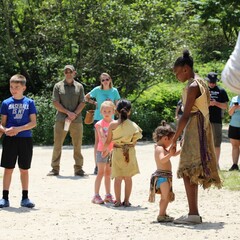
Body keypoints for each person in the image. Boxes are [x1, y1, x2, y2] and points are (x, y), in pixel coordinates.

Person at [171, 50, 222, 225]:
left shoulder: (193, 86)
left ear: (185, 69)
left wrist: (174, 138)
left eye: (177, 72)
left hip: (195, 128)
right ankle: (193, 212)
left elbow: (185, 116)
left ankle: (193, 213)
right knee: (191, 170)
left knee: (188, 170)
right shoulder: (199, 81)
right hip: (200, 126)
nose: (176, 76)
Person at [0, 74, 37, 208]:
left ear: (24, 88)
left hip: (25, 140)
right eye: (11, 87)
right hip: (10, 140)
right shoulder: (5, 103)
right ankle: (4, 198)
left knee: (24, 169)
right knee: (8, 169)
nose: (13, 89)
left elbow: (33, 123)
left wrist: (18, 129)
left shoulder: (29, 103)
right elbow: (2, 124)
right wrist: (5, 131)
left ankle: (25, 198)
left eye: (16, 87)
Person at [47, 65, 86, 176]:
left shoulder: (79, 86)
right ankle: (55, 168)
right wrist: (68, 113)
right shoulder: (58, 86)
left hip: (76, 120)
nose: (68, 73)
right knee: (57, 144)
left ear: (74, 73)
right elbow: (55, 102)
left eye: (70, 71)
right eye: (66, 71)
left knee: (77, 144)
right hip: (61, 119)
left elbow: (82, 102)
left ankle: (78, 168)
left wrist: (74, 114)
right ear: (64, 73)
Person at [103, 99, 142, 207]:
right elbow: (135, 142)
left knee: (118, 177)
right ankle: (126, 201)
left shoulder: (112, 125)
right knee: (128, 177)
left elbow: (108, 141)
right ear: (129, 111)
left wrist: (105, 150)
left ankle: (118, 201)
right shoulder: (134, 125)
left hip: (117, 151)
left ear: (116, 111)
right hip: (129, 152)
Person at [85, 73, 120, 175]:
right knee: (98, 141)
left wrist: (113, 105)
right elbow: (86, 97)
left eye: (107, 79)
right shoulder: (97, 90)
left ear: (110, 80)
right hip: (98, 119)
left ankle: (110, 164)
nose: (105, 81)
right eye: (103, 80)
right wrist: (94, 103)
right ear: (100, 82)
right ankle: (97, 165)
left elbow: (117, 104)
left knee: (111, 141)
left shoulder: (114, 91)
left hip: (111, 121)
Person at [148, 121, 180, 223]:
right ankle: (161, 215)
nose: (170, 143)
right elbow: (162, 160)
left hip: (166, 176)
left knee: (165, 197)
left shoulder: (163, 148)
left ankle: (163, 213)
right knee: (165, 197)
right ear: (165, 138)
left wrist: (181, 150)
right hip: (162, 177)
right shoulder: (159, 149)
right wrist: (170, 154)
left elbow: (173, 154)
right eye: (170, 141)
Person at [92, 101, 116, 204]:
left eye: (109, 111)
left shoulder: (115, 123)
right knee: (100, 172)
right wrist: (105, 150)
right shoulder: (99, 124)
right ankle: (96, 195)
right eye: (105, 111)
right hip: (101, 151)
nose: (107, 113)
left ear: (113, 111)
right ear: (101, 112)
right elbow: (102, 137)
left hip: (111, 151)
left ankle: (108, 194)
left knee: (108, 173)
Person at [205, 72, 229, 168]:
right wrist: (207, 104)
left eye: (214, 82)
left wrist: (215, 103)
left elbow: (225, 106)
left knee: (217, 143)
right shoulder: (204, 91)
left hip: (216, 120)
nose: (212, 84)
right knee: (205, 142)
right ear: (207, 81)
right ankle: (206, 163)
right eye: (210, 82)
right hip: (205, 119)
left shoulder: (221, 91)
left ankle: (216, 163)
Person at [228, 95, 240, 171]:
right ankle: (235, 165)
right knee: (235, 146)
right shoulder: (234, 98)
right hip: (234, 125)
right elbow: (230, 113)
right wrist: (235, 107)